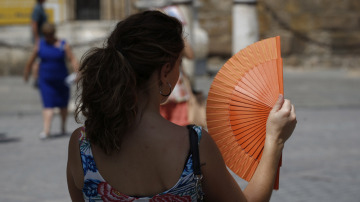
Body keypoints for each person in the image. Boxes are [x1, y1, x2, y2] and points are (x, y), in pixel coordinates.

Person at [66, 10, 297, 201]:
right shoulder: (194, 145)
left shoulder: (80, 144)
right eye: (180, 63)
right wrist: (274, 140)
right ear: (165, 70)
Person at [24, 23, 79, 139]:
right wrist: (27, 72)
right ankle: (46, 130)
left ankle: (63, 127)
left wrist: (77, 72)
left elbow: (72, 59)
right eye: (46, 35)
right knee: (48, 105)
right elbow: (31, 60)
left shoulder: (63, 45)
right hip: (46, 81)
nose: (48, 37)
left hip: (62, 80)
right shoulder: (40, 45)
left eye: (50, 34)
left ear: (54, 34)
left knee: (63, 105)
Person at [159, 39, 194, 126]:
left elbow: (190, 55)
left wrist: (180, 36)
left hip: (177, 88)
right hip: (159, 87)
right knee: (160, 125)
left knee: (180, 124)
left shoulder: (176, 36)